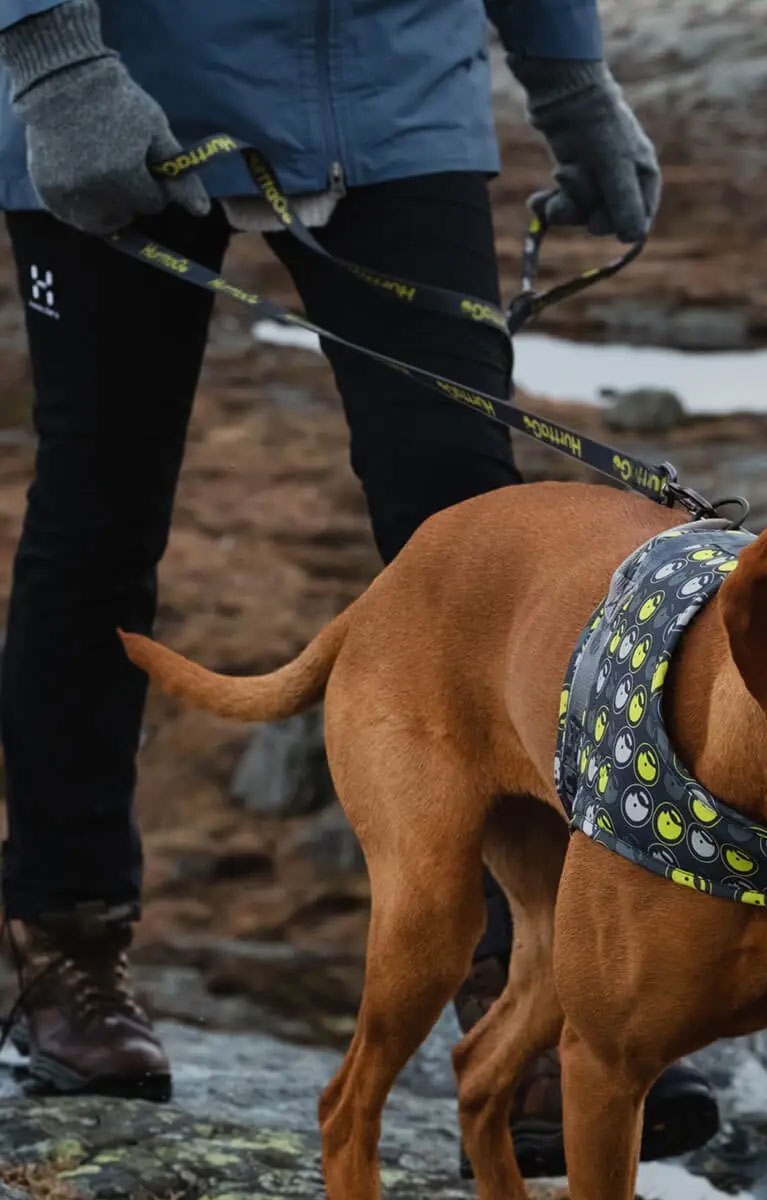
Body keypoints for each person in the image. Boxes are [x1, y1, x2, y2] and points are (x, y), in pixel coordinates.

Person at [0, 0, 719, 1177]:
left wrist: (570, 82)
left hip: (398, 96)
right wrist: (53, 55)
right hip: (128, 73)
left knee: (469, 524)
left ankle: (525, 982)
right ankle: (69, 950)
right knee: (99, 518)